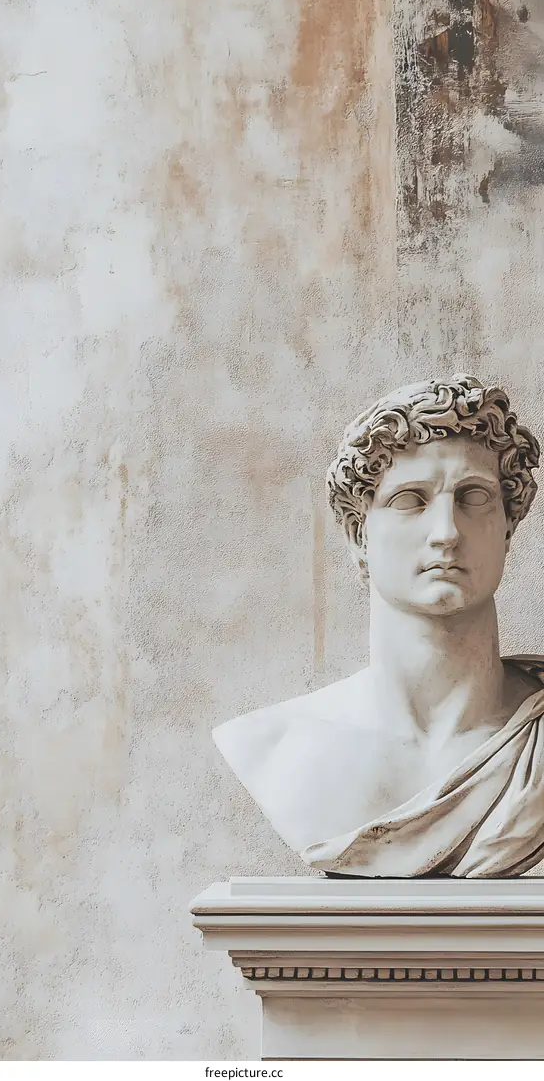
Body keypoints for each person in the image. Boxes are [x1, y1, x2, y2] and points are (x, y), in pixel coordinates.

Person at [213, 374, 544, 877]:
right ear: (358, 535)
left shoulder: (534, 745)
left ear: (508, 527)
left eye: (473, 498)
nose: (446, 533)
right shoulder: (278, 748)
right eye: (411, 500)